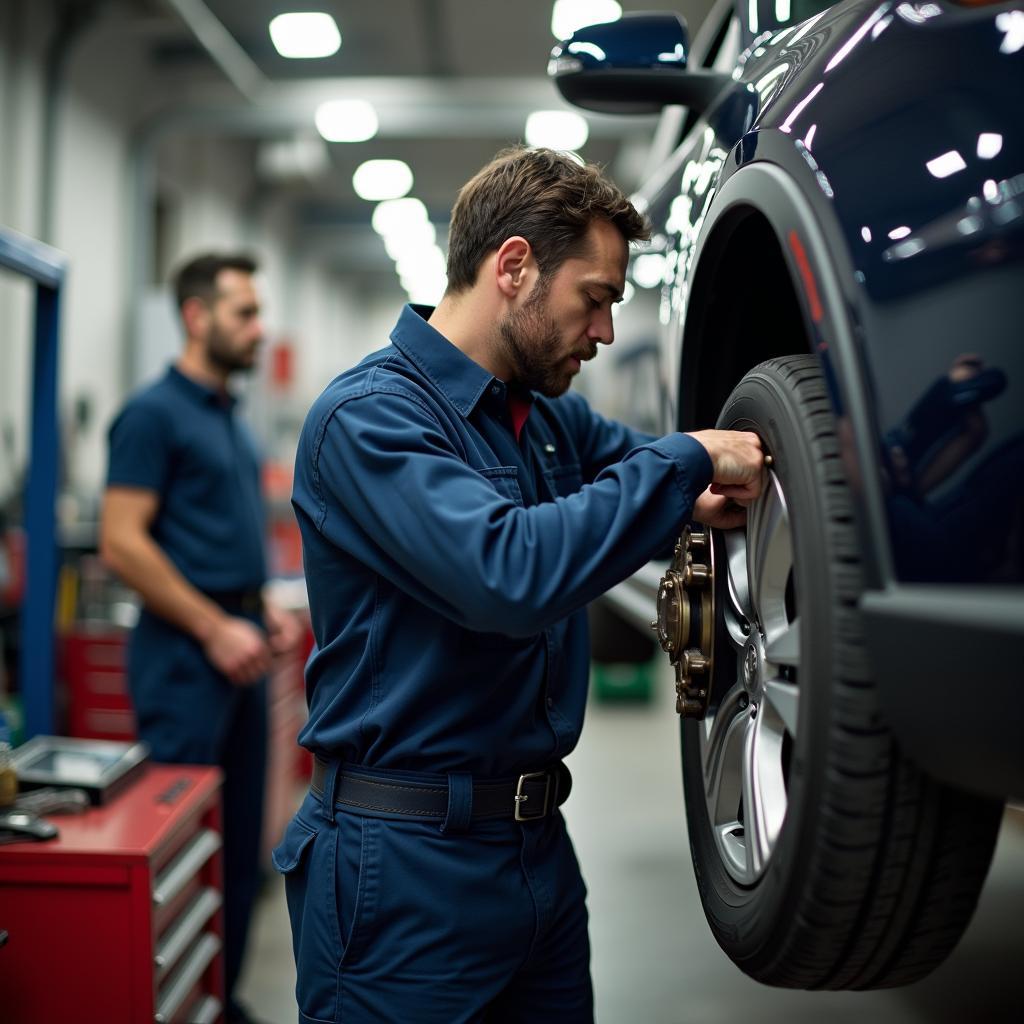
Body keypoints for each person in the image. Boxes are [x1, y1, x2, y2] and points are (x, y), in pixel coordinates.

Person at [277, 147, 764, 1024]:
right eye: (598, 297)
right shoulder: (370, 420)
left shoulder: (542, 421)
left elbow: (648, 479)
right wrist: (687, 460)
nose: (607, 331)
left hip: (536, 855)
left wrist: (709, 487)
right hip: (403, 869)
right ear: (514, 267)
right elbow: (510, 573)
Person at [100, 252, 303, 1024]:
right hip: (185, 657)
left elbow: (229, 538)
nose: (260, 328)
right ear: (196, 316)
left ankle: (223, 1002)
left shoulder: (227, 415)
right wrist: (216, 624)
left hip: (240, 643)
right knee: (185, 847)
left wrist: (264, 605)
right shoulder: (152, 415)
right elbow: (123, 542)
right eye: (244, 313)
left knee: (240, 843)